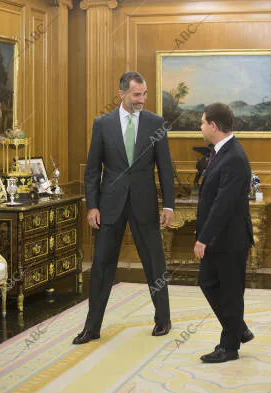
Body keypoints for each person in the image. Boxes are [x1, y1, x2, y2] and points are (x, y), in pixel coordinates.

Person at [73, 72, 175, 345]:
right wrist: (92, 205)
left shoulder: (156, 123)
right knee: (101, 267)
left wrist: (169, 205)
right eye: (136, 95)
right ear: (122, 94)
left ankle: (163, 319)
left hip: (144, 203)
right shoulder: (102, 124)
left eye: (144, 94)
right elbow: (93, 170)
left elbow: (165, 167)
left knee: (155, 263)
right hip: (109, 205)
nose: (142, 99)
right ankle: (92, 327)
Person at [194, 102, 254, 363]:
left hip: (230, 240)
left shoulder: (234, 157)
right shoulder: (221, 151)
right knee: (207, 282)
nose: (200, 126)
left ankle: (229, 347)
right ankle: (238, 328)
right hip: (220, 238)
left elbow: (223, 204)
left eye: (203, 122)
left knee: (230, 291)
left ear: (214, 126)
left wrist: (203, 238)